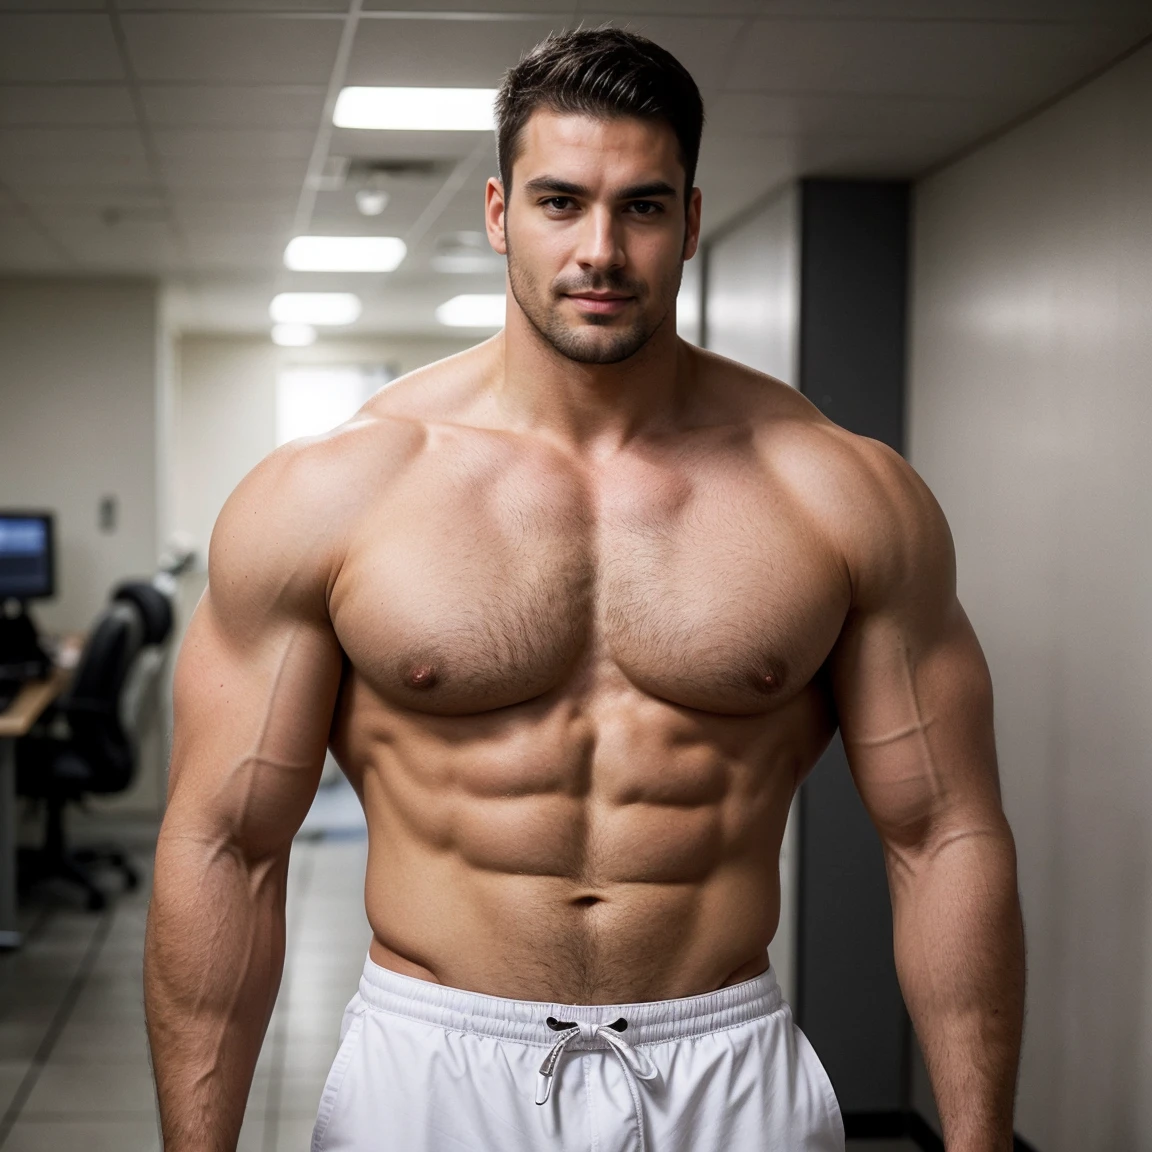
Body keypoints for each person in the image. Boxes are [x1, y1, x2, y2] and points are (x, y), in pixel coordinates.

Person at [144, 27, 1025, 1152]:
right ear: (501, 212)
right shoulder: (336, 492)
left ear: (692, 221)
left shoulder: (840, 494)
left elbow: (945, 834)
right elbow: (224, 845)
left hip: (723, 1066)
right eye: (561, 202)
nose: (600, 249)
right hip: (432, 1064)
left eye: (643, 207)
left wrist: (981, 1142)